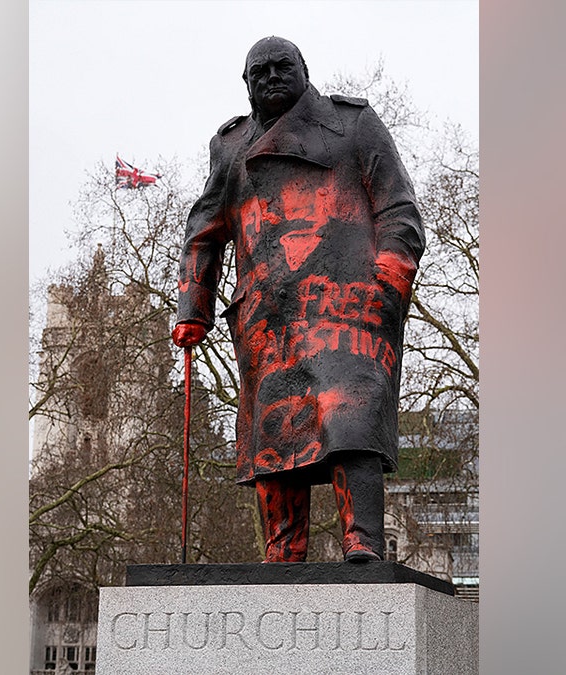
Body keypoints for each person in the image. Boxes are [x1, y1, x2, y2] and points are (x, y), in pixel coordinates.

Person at [172, 37, 424, 563]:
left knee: (348, 413)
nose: (270, 77)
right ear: (245, 84)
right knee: (276, 432)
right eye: (257, 71)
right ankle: (283, 551)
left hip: (348, 303)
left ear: (304, 71)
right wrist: (192, 310)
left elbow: (398, 208)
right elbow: (204, 229)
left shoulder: (353, 124)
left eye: (281, 66)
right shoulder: (232, 147)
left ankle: (363, 541)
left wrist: (388, 285)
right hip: (267, 315)